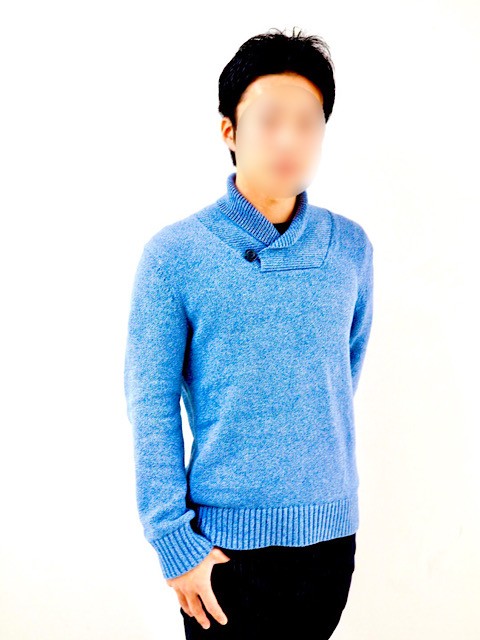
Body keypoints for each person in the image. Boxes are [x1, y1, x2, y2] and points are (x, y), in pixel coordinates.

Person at [124, 26, 374, 639]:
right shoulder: (175, 255)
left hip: (330, 541)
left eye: (307, 122)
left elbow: (341, 373)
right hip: (222, 552)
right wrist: (173, 542)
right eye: (269, 120)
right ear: (230, 131)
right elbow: (150, 404)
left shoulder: (350, 247)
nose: (290, 139)